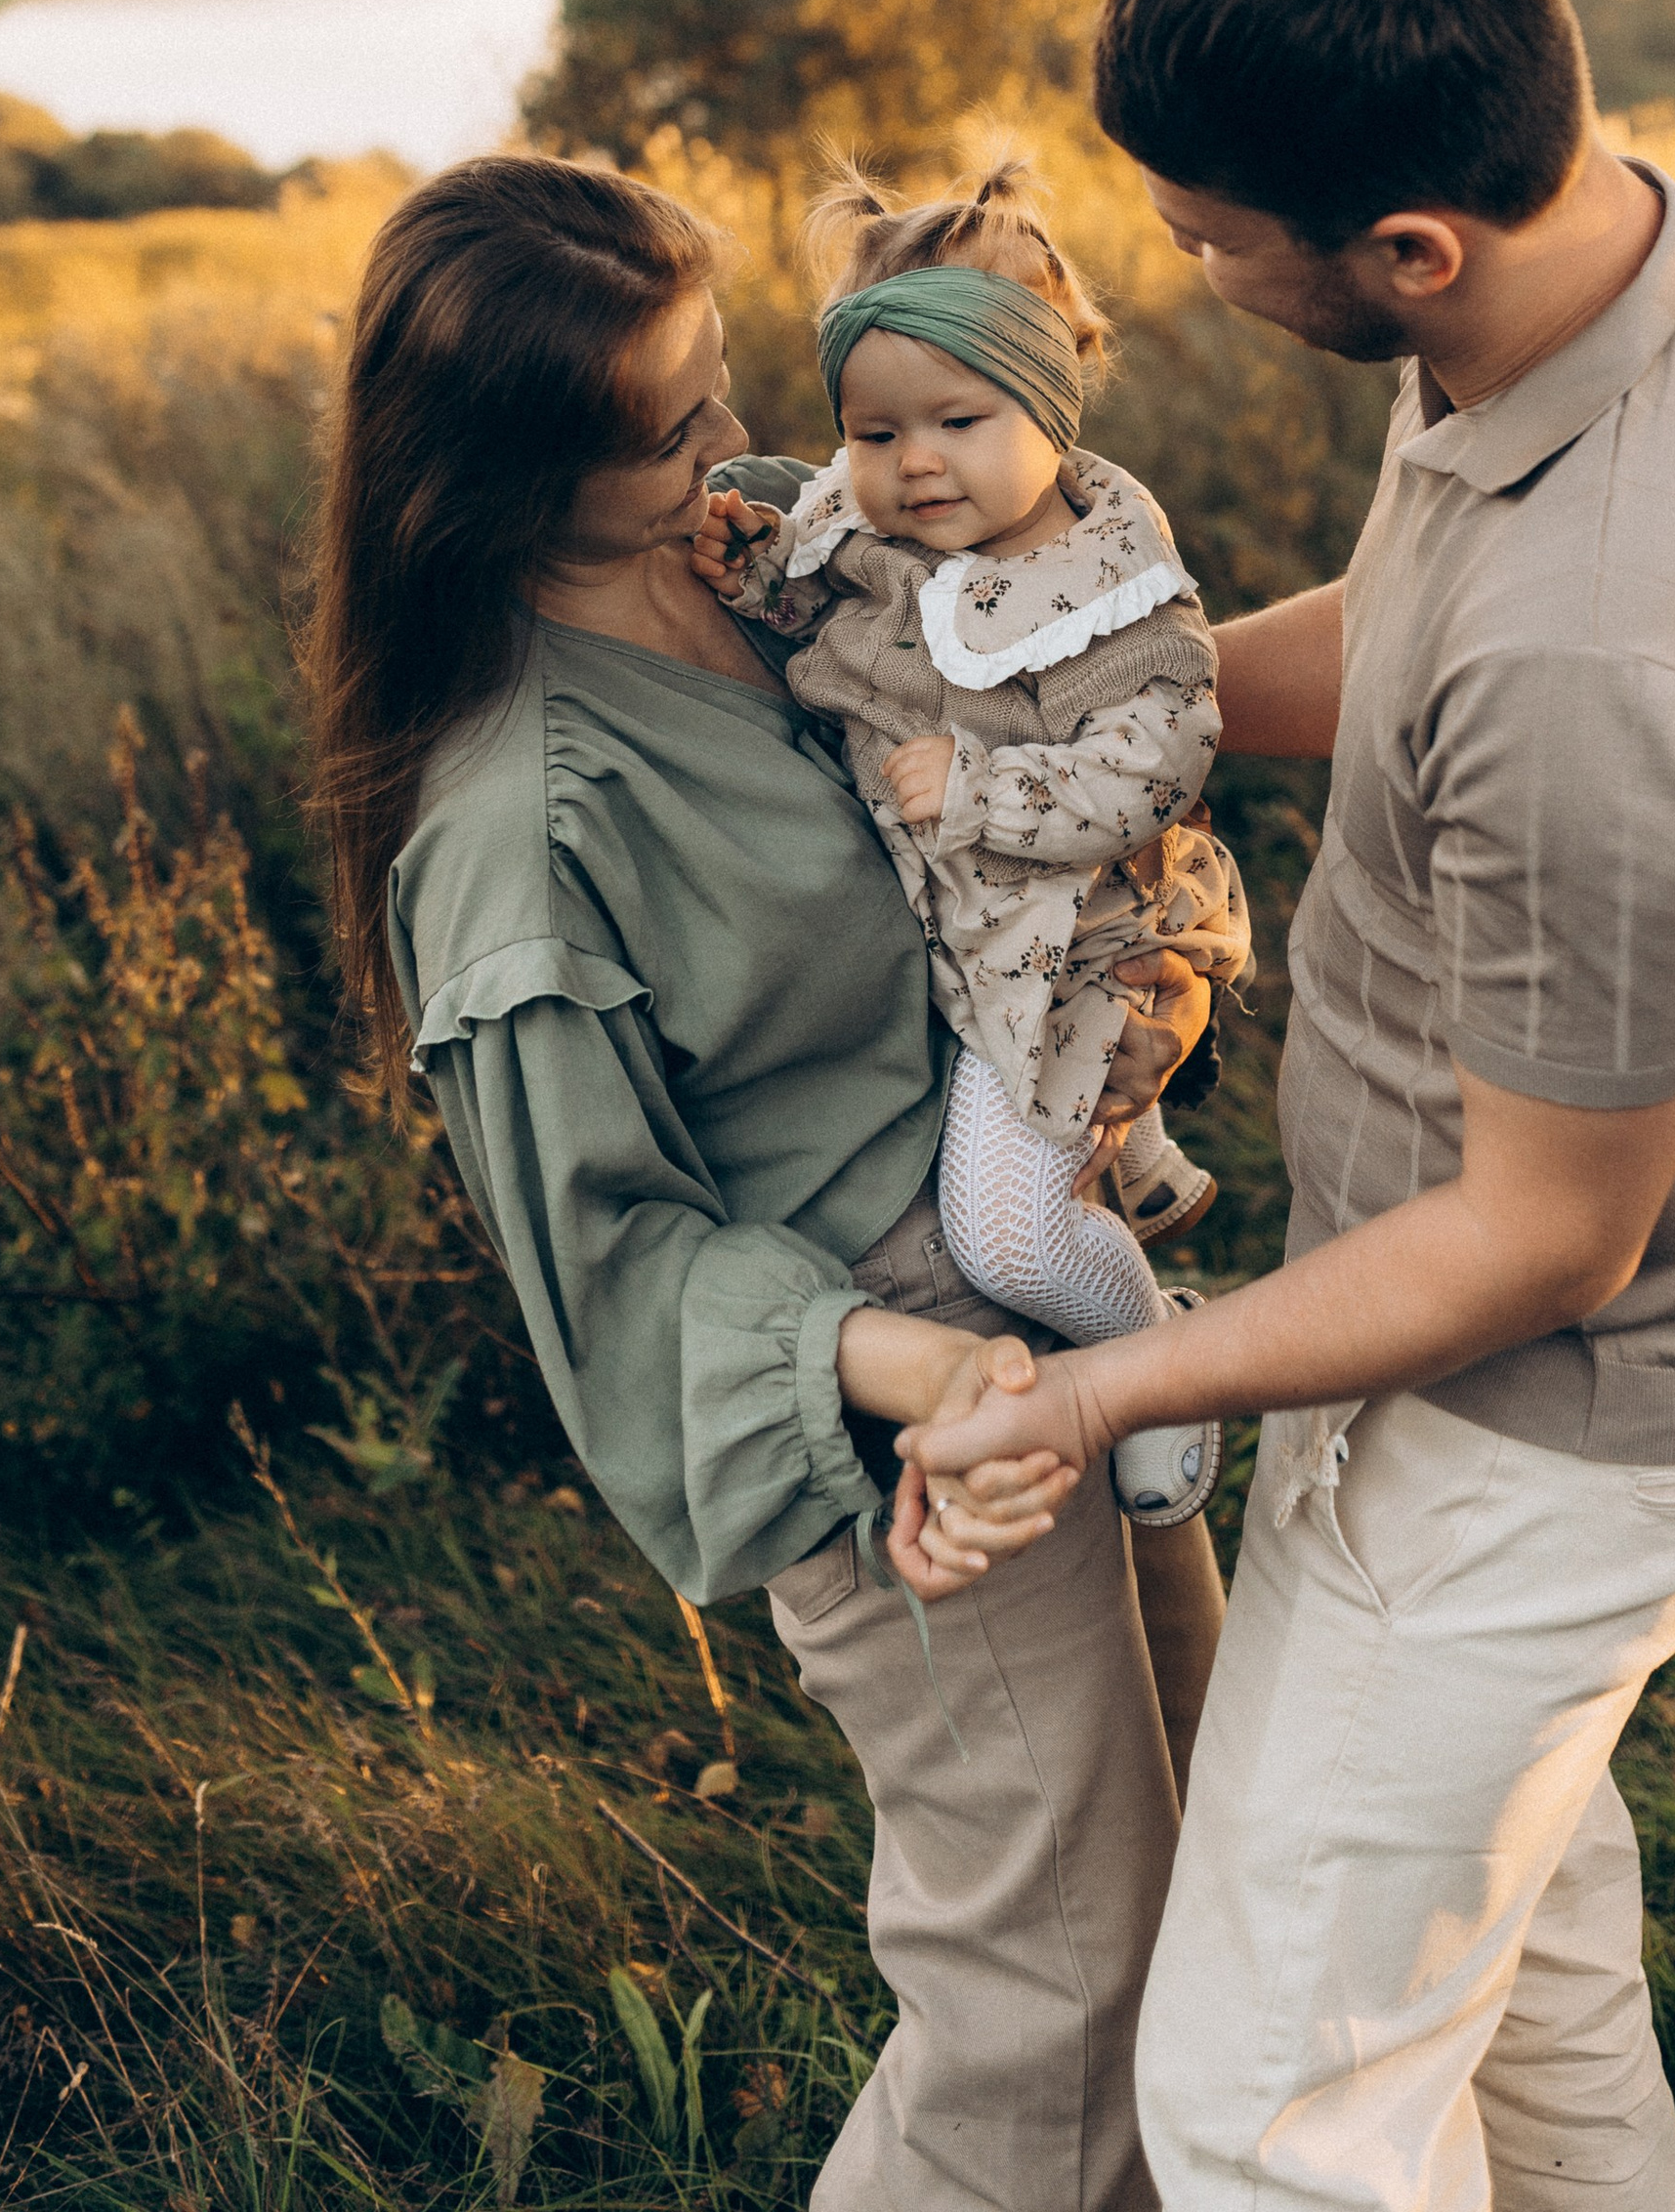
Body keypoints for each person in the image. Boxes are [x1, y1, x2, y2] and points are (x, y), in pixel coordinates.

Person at [910, 0, 1675, 2211]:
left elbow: (1543, 1234)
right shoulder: (1620, 271)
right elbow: (1424, 609)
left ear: (1404, 249)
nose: (1177, 266)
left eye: (1211, 235)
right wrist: (1077, 716)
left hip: (1533, 1427)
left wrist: (1109, 1375)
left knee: (1271, 2107)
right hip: (1505, 1372)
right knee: (1519, 1974)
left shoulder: (1605, 659)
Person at [300, 148, 1227, 2212]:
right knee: (1048, 1995)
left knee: (1209, 1889)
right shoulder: (518, 825)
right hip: (907, 1403)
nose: (738, 434)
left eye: (721, 373)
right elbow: (615, 1275)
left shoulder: (744, 549)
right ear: (514, 478)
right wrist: (936, 1376)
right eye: (673, 419)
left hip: (1040, 1271)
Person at [690, 158, 1248, 1530]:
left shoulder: (1105, 583)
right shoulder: (875, 521)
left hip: (1067, 952)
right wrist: (750, 563)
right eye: (873, 433)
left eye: (957, 419)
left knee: (1006, 1236)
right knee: (1027, 1184)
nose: (912, 462)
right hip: (957, 937)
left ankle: (1157, 1365)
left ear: (1050, 403)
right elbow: (822, 607)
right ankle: (1126, 1176)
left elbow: (1162, 757)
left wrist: (989, 787)